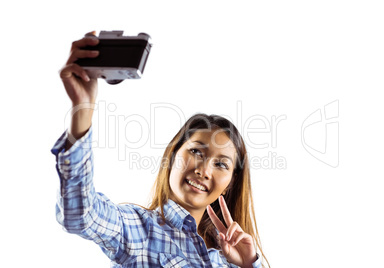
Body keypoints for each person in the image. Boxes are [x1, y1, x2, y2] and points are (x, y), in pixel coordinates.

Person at [52, 31, 270, 268]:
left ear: (230, 182)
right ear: (172, 155)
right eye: (197, 152)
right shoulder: (139, 231)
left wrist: (249, 265)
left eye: (221, 164)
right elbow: (80, 215)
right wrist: (82, 109)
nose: (204, 171)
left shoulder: (229, 260)